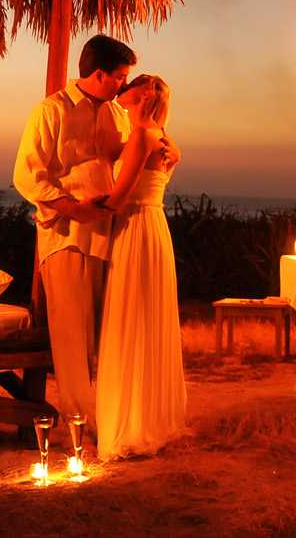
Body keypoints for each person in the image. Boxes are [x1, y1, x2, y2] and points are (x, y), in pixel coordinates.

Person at [11, 34, 137, 425]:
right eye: (119, 76)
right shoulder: (52, 111)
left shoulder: (118, 115)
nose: (124, 84)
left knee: (102, 328)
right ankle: (81, 420)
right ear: (99, 74)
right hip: (65, 233)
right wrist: (72, 208)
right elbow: (27, 175)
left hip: (108, 231)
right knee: (71, 332)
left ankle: (107, 414)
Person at [93, 74, 187, 459]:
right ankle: (147, 416)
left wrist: (66, 209)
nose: (121, 90)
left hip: (134, 228)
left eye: (128, 86)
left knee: (131, 317)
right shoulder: (166, 140)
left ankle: (130, 423)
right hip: (154, 228)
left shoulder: (143, 137)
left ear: (142, 95)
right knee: (147, 317)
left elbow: (120, 196)